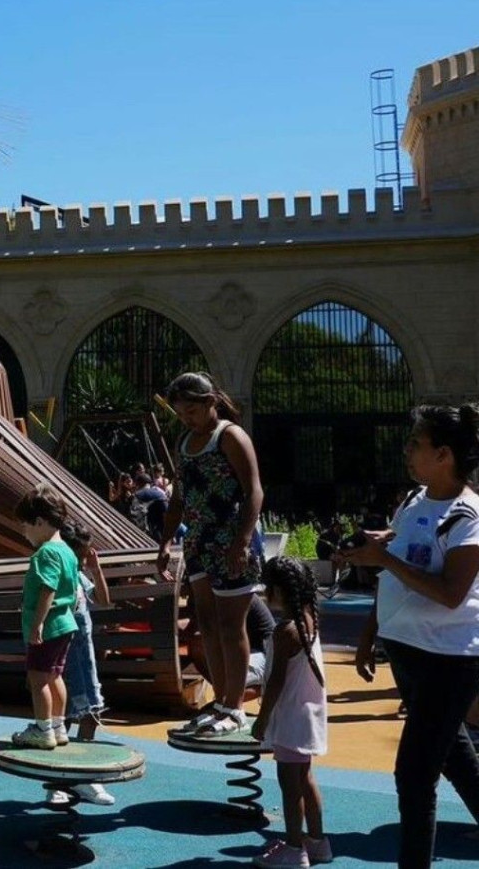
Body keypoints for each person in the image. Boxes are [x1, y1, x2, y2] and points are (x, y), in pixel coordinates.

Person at [339, 404, 479, 869]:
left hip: (449, 659)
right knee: (455, 757)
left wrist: (385, 560)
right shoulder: (416, 499)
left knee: (415, 775)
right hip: (408, 651)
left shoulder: (469, 515)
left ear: (444, 455)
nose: (407, 450)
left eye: (415, 443)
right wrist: (369, 633)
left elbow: (450, 593)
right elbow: (395, 554)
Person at [158, 372, 266, 736]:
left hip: (231, 539)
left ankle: (235, 707)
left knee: (231, 625)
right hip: (199, 541)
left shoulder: (231, 436)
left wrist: (242, 540)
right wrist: (166, 541)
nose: (186, 418)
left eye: (191, 410)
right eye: (180, 413)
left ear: (210, 402)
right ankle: (221, 702)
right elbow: (178, 497)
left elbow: (254, 491)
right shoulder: (185, 441)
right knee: (208, 626)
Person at [251, 557, 330, 868]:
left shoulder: (287, 630)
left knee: (289, 784)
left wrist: (262, 719)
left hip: (291, 716)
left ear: (279, 590)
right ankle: (318, 841)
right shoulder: (309, 618)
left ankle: (295, 848)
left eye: (268, 588)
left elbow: (276, 681)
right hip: (308, 713)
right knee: (305, 777)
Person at [10, 483, 80, 750]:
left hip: (47, 627)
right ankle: (59, 726)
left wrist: (38, 623)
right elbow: (72, 588)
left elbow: (48, 590)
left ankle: (42, 729)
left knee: (37, 678)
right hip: (65, 624)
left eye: (26, 526)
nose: (24, 532)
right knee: (54, 676)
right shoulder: (68, 551)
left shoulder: (46, 553)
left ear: (39, 522)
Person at [59, 519, 113, 806]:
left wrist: (96, 568)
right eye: (80, 554)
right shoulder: (59, 575)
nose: (82, 559)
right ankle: (57, 779)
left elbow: (104, 600)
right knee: (63, 719)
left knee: (91, 714)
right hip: (65, 660)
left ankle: (83, 774)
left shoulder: (80, 577)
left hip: (85, 659)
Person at [131, 472, 168, 539]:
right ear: (150, 483)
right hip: (166, 527)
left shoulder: (137, 496)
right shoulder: (160, 493)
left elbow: (136, 517)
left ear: (138, 485)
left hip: (151, 532)